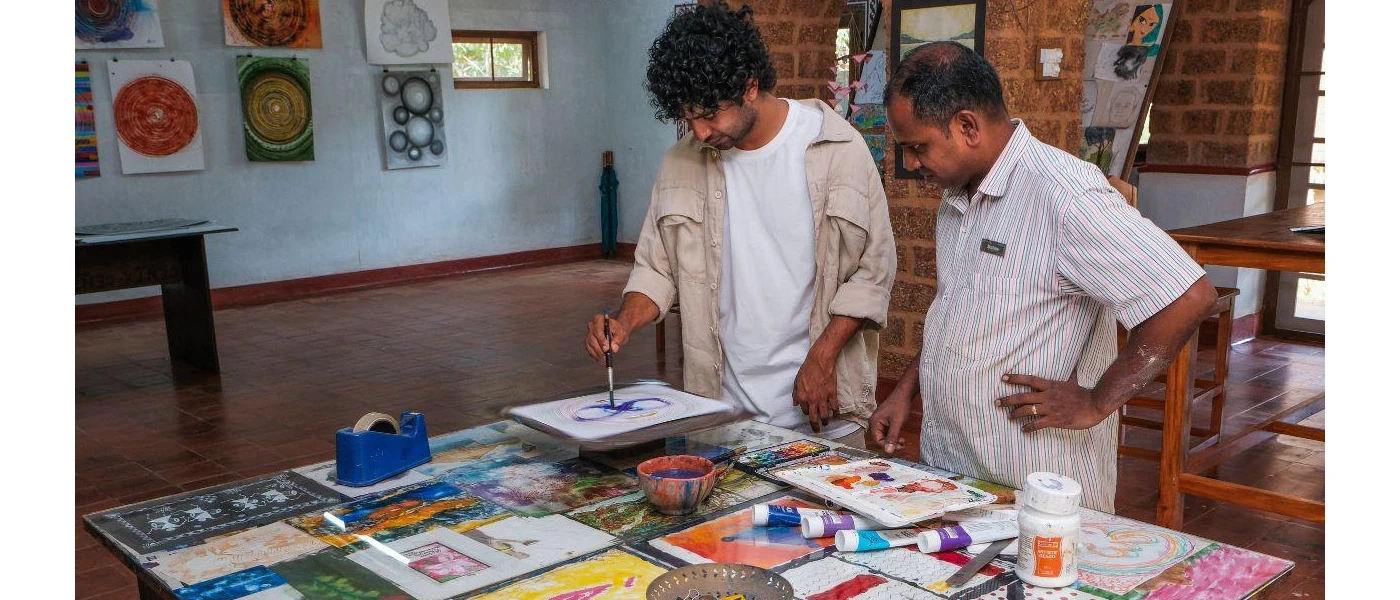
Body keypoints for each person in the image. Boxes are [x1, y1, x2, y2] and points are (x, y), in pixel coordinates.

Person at [869, 42, 1217, 512]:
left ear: (967, 126)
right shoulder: (957, 198)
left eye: (918, 147)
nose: (911, 163)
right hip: (955, 467)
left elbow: (1188, 296)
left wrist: (1096, 402)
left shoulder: (1066, 196)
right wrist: (906, 391)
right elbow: (958, 308)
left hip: (1038, 483)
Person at [583, 3, 896, 448]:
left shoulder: (837, 148)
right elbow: (657, 268)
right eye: (688, 118)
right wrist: (626, 322)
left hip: (824, 413)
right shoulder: (681, 163)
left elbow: (874, 271)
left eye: (710, 114)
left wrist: (823, 357)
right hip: (719, 417)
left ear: (749, 86)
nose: (701, 132)